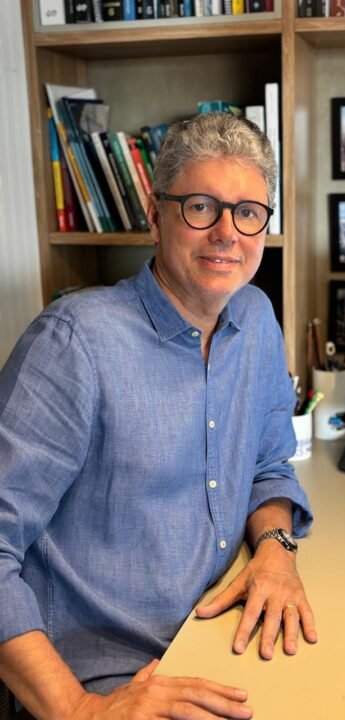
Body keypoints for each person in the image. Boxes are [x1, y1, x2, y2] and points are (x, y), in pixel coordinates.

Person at [0, 112, 317, 720]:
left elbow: (269, 464)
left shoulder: (255, 317)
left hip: (213, 637)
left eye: (249, 212)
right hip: (102, 680)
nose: (226, 233)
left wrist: (276, 549)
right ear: (155, 215)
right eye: (201, 207)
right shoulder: (73, 343)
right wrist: (79, 709)